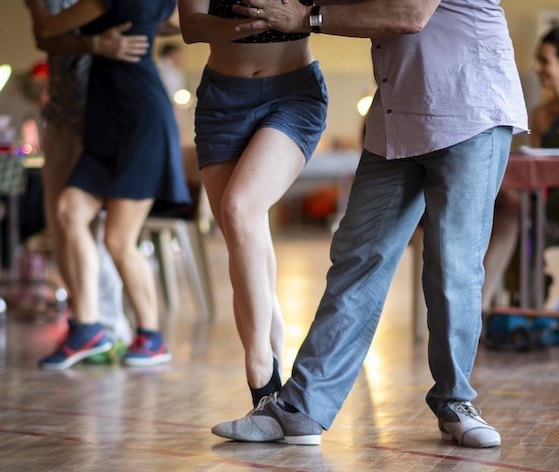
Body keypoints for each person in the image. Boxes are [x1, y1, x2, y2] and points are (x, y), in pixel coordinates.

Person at [211, 0, 527, 448]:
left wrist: (305, 18)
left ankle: (456, 401)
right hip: (397, 119)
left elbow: (410, 14)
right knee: (356, 259)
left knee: (452, 264)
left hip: (468, 109)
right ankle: (300, 410)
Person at [177, 1, 327, 409]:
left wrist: (298, 18)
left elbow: (334, 14)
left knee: (239, 208)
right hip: (223, 100)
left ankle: (260, 369)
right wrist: (258, 23)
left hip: (293, 93)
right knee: (243, 237)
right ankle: (272, 398)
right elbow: (191, 27)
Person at [25, 0, 190, 369]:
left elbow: (49, 31)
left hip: (140, 120)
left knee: (118, 239)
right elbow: (175, 22)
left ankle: (152, 336)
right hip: (107, 119)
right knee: (69, 209)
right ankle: (87, 327)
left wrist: (98, 38)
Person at [482, 25, 559, 310]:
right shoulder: (539, 113)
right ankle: (502, 305)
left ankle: (509, 304)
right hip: (542, 199)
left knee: (516, 216)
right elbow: (531, 167)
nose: (537, 68)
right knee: (509, 209)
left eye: (544, 61)